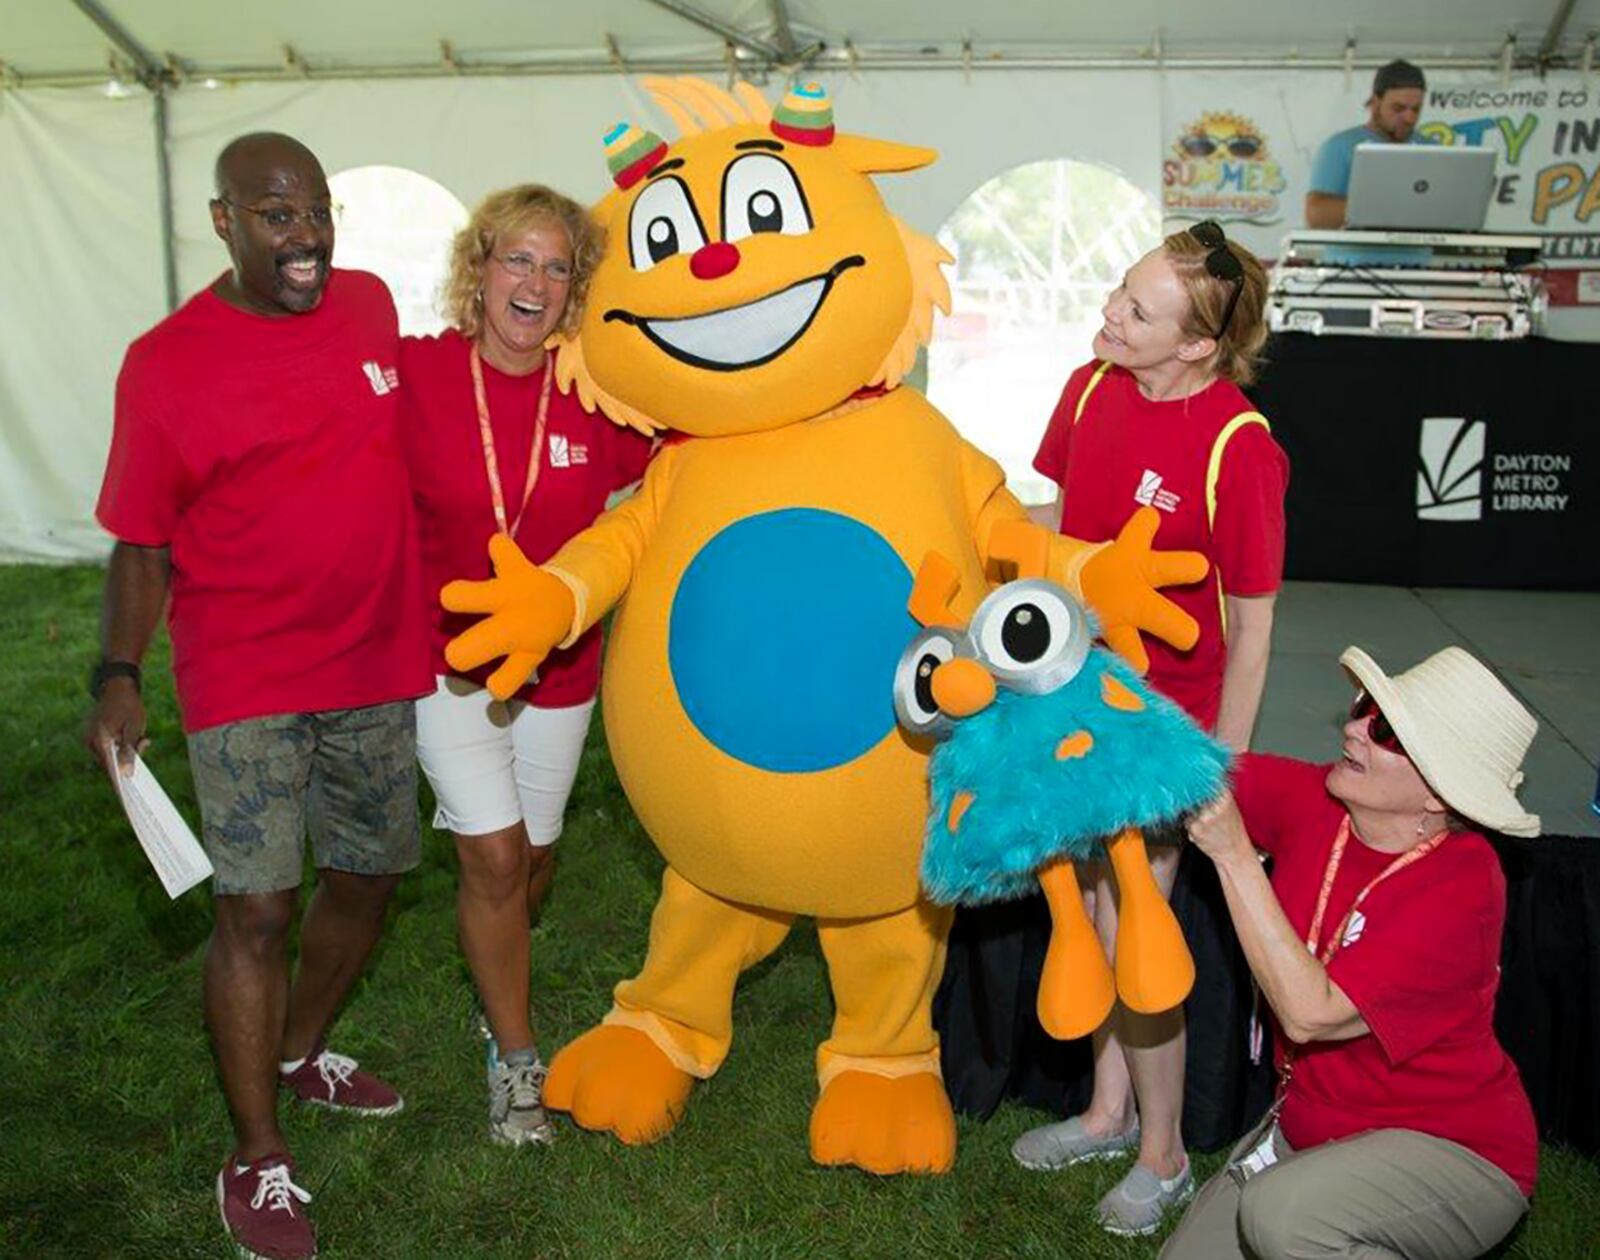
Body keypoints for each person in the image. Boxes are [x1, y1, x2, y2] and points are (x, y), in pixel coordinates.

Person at [85, 132, 431, 1260]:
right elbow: (141, 542)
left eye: (319, 211)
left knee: (371, 871)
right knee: (257, 909)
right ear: (225, 221)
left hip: (376, 657)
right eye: (278, 216)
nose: (308, 238)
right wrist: (120, 672)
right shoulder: (167, 362)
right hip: (245, 672)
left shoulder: (371, 307)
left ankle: (299, 1047)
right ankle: (257, 1154)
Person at [1004, 222, 1289, 1235]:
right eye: (1118, 294)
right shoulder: (1087, 390)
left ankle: (1165, 1154)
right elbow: (1048, 518)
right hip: (1069, 701)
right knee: (1080, 913)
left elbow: (1252, 626)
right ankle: (1106, 1110)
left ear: (1199, 347)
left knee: (1137, 938)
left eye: (1136, 312)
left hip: (1163, 734)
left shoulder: (1238, 446)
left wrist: (1219, 766)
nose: (1108, 317)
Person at [400, 185, 652, 1146]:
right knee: (495, 856)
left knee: (534, 859)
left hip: (562, 663)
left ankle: (491, 965)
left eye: (556, 268)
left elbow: (691, 447)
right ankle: (514, 1058)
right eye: (517, 260)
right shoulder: (417, 371)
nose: (534, 283)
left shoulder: (593, 393)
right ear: (479, 268)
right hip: (448, 662)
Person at [1163, 645, 1539, 1258]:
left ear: (1439, 794)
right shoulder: (1321, 802)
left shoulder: (1463, 887)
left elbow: (1310, 1013)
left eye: (1385, 731)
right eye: (1365, 708)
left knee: (1282, 1220)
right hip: (1312, 1135)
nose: (1352, 729)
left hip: (1451, 1148)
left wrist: (1234, 855)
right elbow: (1186, 765)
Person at [1305, 59, 1430, 228]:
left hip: (1419, 255)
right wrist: (1390, 207)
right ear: (1375, 102)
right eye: (1398, 108)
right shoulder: (1340, 147)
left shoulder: (1432, 149)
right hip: (1355, 254)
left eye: (1416, 109)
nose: (1409, 118)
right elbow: (1316, 215)